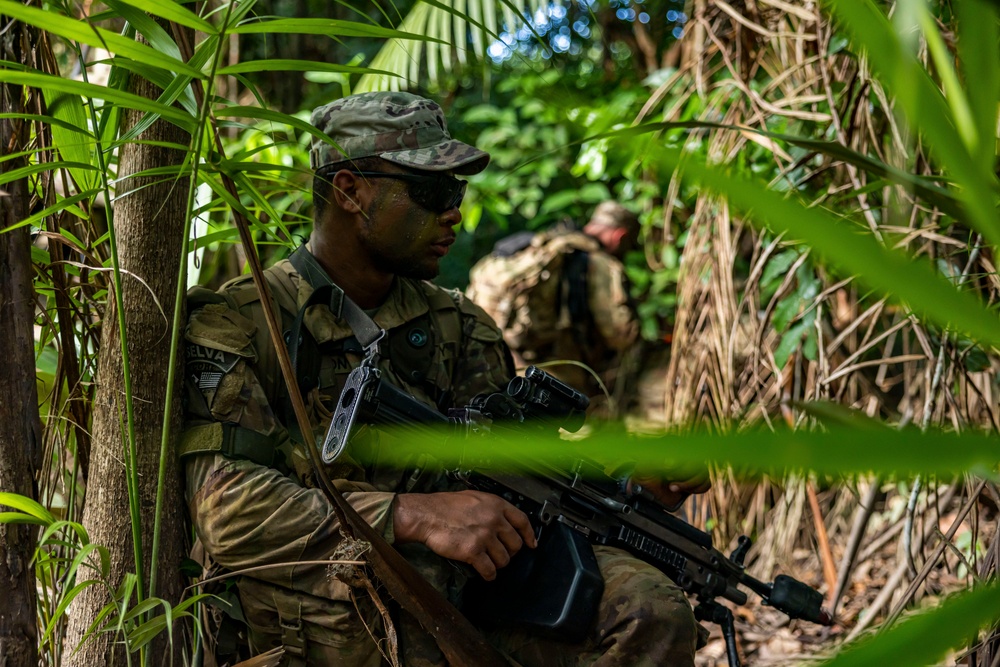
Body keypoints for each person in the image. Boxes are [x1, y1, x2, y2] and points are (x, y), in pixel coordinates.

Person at [180, 91, 704, 666]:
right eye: (433, 192)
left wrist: (624, 488)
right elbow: (227, 511)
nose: (453, 212)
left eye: (456, 192)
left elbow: (509, 473)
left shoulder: (459, 326)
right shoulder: (244, 323)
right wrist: (412, 515)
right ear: (350, 191)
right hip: (324, 616)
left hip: (460, 599)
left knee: (647, 609)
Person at [465, 202, 641, 409]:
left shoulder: (536, 246)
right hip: (548, 367)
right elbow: (620, 334)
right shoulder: (599, 263)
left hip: (488, 357)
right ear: (619, 236)